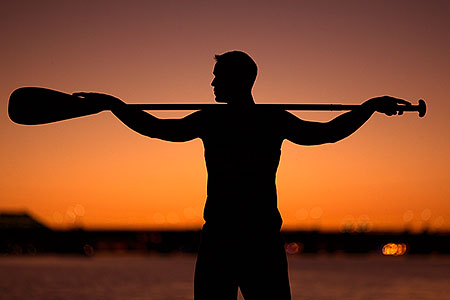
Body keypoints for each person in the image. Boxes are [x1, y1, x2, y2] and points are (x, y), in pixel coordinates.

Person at [74, 50, 411, 300]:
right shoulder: (257, 119)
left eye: (218, 77)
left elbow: (157, 130)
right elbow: (327, 134)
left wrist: (114, 106)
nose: (212, 82)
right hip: (240, 239)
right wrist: (113, 105)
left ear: (238, 80)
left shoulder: (225, 119)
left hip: (243, 240)